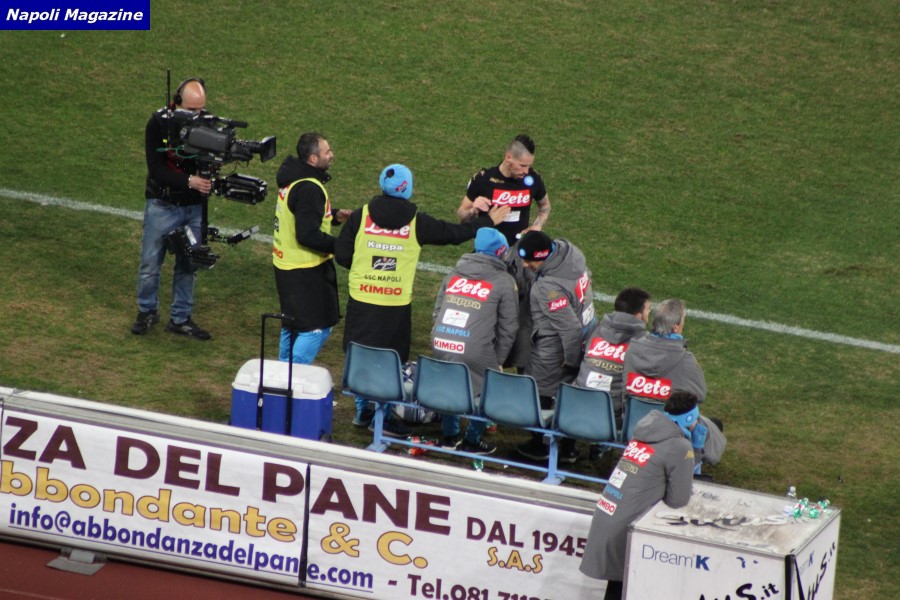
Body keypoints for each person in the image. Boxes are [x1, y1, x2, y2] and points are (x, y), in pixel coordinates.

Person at [335, 164, 508, 436]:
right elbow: (454, 234)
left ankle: (363, 411)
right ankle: (383, 418)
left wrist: (370, 268)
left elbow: (342, 255)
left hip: (362, 300)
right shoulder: (417, 222)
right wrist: (486, 222)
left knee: (362, 355)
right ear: (407, 188)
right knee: (391, 361)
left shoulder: (360, 216)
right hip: (395, 305)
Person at [579, 391, 699, 600]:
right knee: (624, 587)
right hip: (627, 527)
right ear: (689, 418)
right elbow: (678, 500)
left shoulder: (646, 430)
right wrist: (695, 451)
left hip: (608, 516)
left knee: (617, 585)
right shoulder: (679, 446)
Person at [132, 78, 213, 340]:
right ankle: (147, 311)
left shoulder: (208, 123)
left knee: (188, 264)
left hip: (193, 207)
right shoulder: (158, 123)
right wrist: (190, 181)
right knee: (150, 263)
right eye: (191, 110)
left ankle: (180, 318)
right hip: (162, 204)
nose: (196, 115)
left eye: (200, 109)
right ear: (176, 102)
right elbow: (156, 169)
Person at [431, 228, 519, 455]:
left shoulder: (454, 273)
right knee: (491, 387)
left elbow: (437, 311)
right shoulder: (504, 281)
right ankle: (471, 439)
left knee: (451, 382)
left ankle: (449, 436)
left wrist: (444, 336)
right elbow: (509, 327)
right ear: (501, 252)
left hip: (441, 341)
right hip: (475, 349)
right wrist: (498, 360)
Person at [513, 231, 597, 463]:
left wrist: (571, 361)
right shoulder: (569, 253)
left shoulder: (549, 287)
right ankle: (569, 446)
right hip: (588, 331)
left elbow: (569, 330)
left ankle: (542, 445)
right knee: (573, 392)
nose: (525, 264)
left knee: (539, 391)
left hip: (556, 348)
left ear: (542, 257)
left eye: (530, 260)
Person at [272, 132, 352, 364]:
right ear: (314, 159)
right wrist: (340, 246)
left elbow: (299, 214)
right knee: (316, 327)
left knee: (292, 324)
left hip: (286, 266)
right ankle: (292, 378)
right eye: (327, 152)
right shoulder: (309, 188)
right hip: (306, 270)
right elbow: (307, 235)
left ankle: (281, 374)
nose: (332, 155)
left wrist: (333, 215)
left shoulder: (294, 178)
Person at [623, 299, 726, 471]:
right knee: (712, 425)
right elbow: (700, 395)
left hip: (632, 424)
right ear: (676, 328)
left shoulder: (633, 348)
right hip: (668, 431)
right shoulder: (686, 360)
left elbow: (625, 384)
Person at [576, 287, 651, 427]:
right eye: (648, 309)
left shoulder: (598, 330)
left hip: (575, 406)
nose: (649, 313)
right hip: (610, 417)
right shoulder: (643, 342)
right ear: (638, 316)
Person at [457, 134, 551, 246]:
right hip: (488, 250)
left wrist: (537, 226)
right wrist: (474, 210)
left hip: (517, 250)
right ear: (508, 157)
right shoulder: (483, 180)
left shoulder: (533, 178)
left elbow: (545, 205)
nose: (526, 171)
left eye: (528, 166)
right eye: (522, 165)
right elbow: (462, 217)